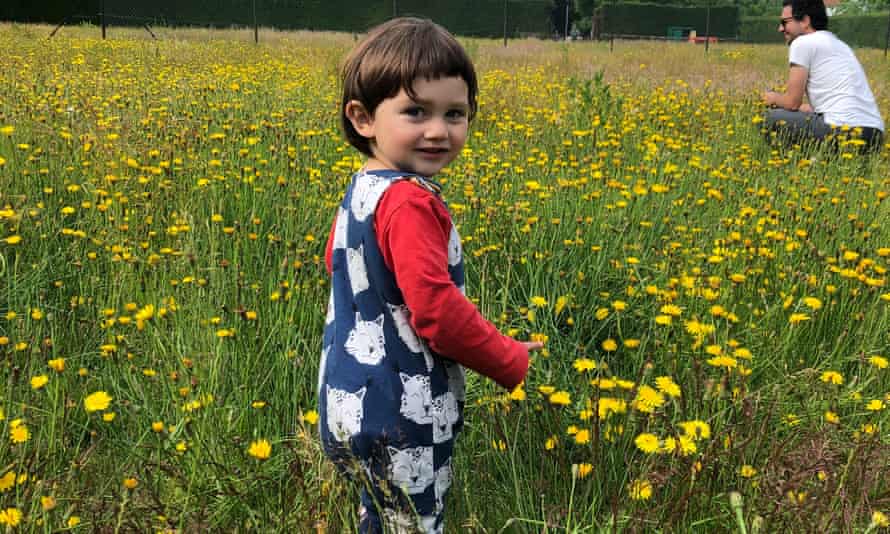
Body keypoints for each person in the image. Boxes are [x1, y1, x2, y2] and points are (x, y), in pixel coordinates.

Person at [317, 17, 543, 533]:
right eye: (415, 111)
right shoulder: (409, 203)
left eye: (454, 113)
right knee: (416, 524)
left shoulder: (363, 190)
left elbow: (340, 262)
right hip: (403, 410)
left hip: (348, 398)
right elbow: (436, 311)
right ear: (362, 118)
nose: (438, 130)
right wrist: (506, 356)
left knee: (380, 514)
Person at [762, 0, 884, 153]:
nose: (780, 28)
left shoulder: (802, 42)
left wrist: (771, 97)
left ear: (805, 21)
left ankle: (794, 166)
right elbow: (828, 104)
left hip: (842, 131)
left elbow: (792, 102)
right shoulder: (840, 45)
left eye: (784, 22)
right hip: (873, 136)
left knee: (768, 118)